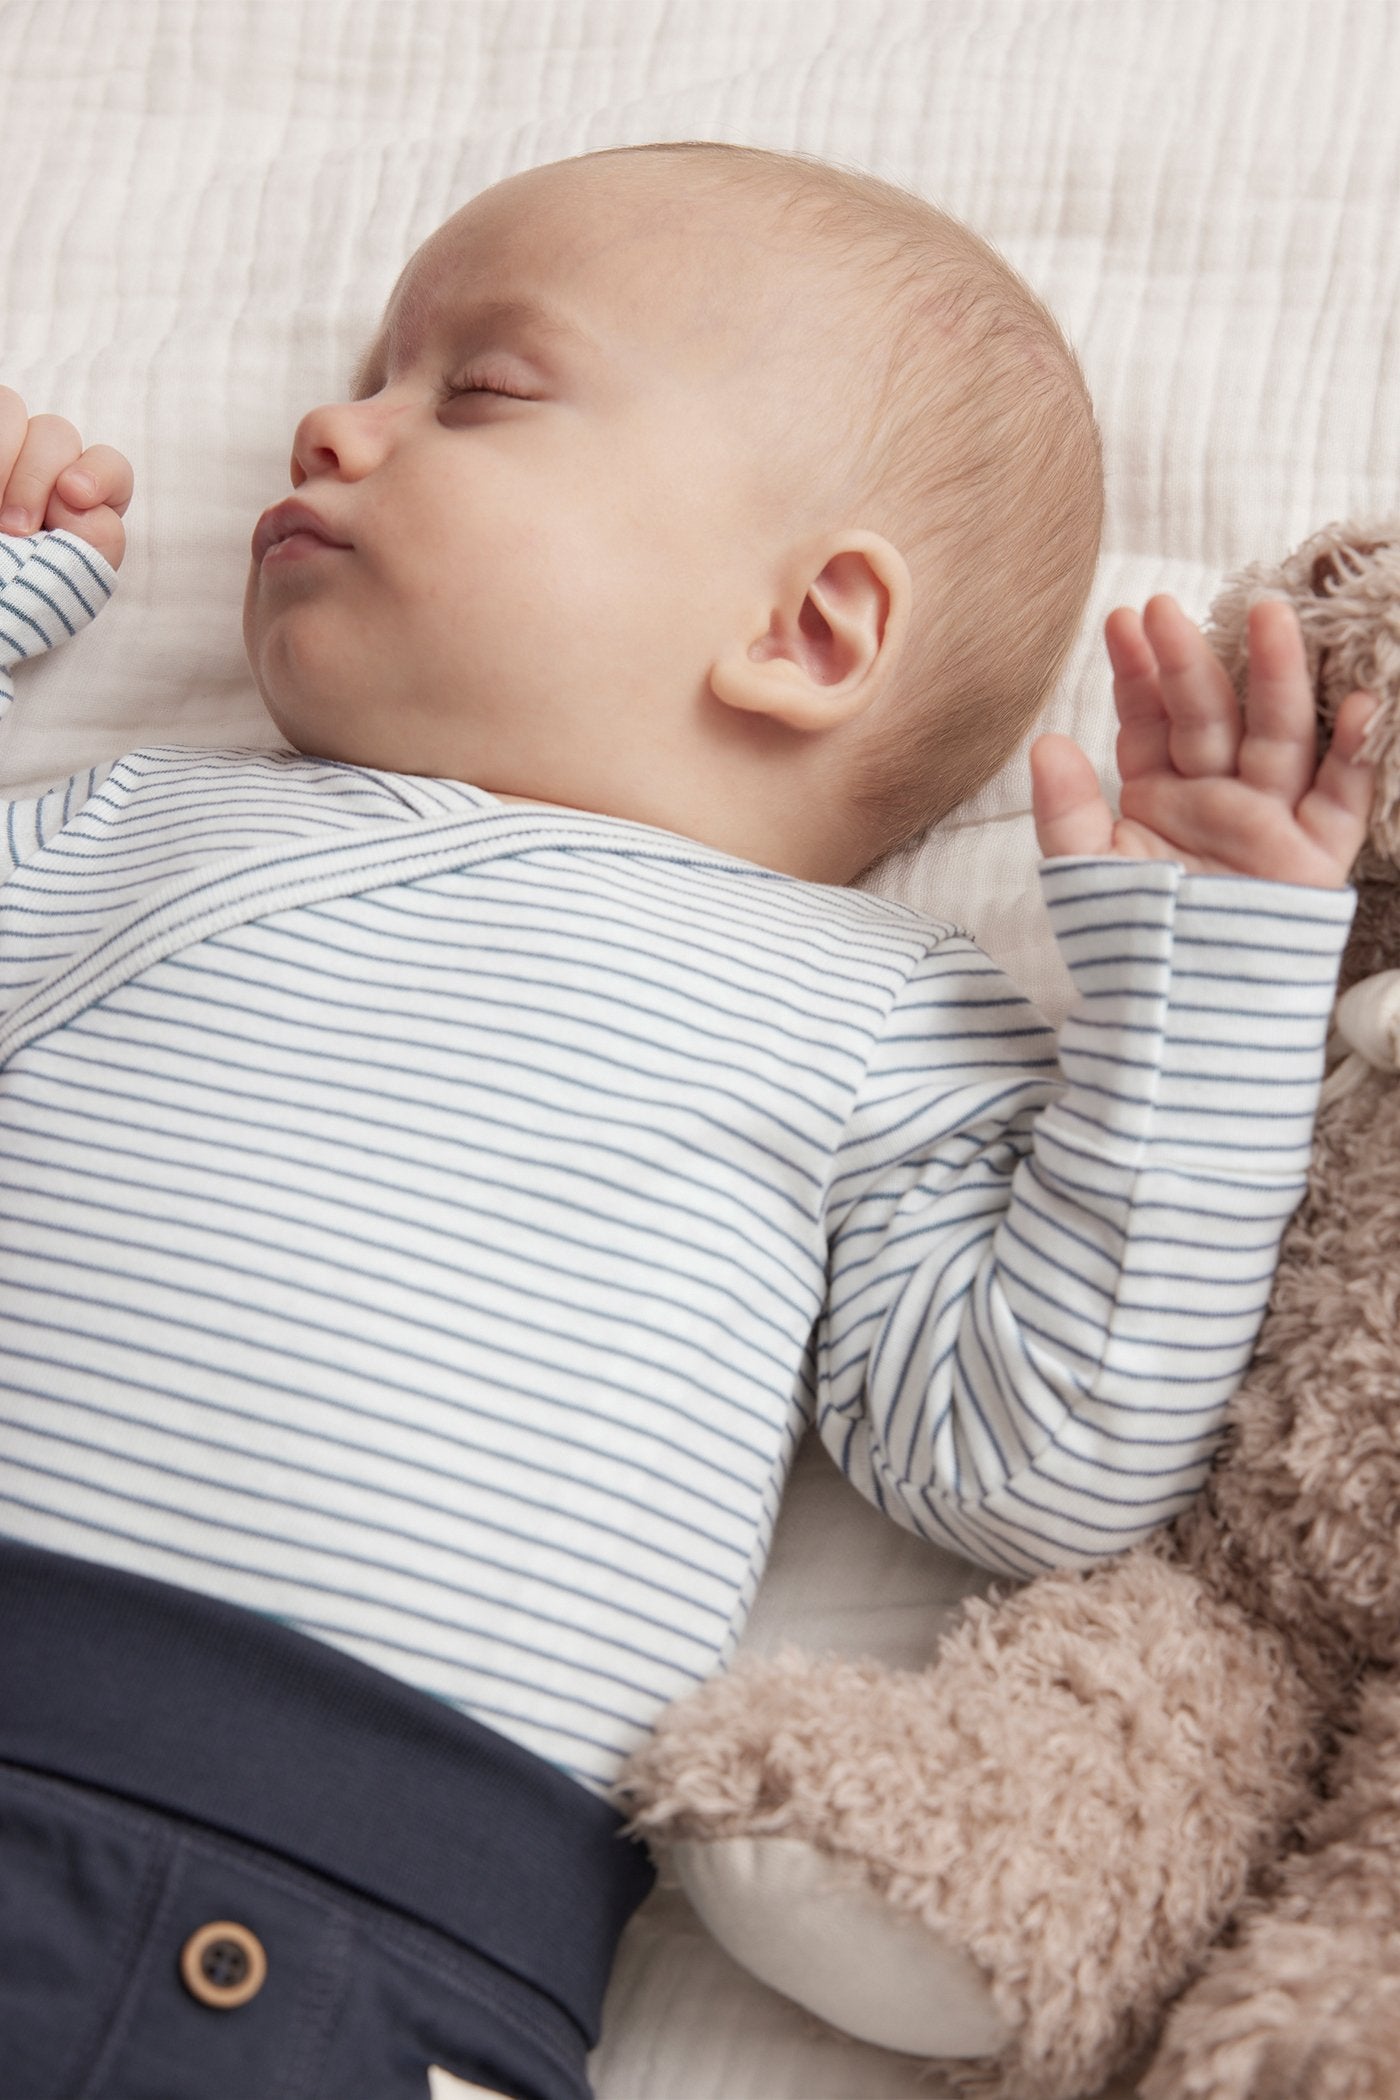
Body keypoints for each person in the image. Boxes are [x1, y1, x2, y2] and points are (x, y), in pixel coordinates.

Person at [0, 142, 1376, 2100]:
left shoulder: (876, 1009)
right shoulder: (118, 825)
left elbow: (1039, 1456)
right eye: (373, 372)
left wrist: (1207, 991)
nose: (331, 421)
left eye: (470, 389)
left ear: (807, 632)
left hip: (349, 1919)